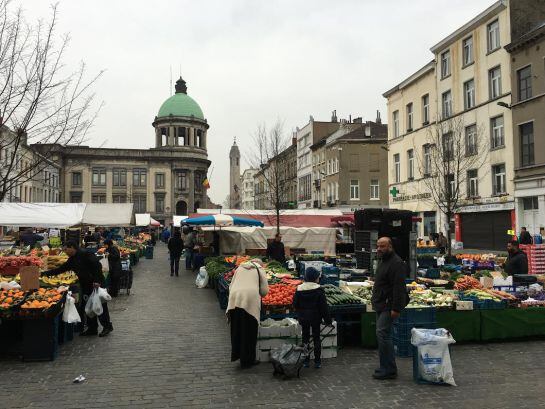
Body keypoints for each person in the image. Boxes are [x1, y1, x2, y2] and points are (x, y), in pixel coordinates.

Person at [43, 241, 113, 337]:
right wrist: (45, 274)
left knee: (100, 305)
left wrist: (97, 281)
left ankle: (107, 326)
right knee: (88, 306)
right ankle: (92, 328)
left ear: (72, 247)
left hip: (96, 284)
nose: (65, 252)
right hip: (86, 285)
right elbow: (61, 269)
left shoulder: (86, 254)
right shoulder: (72, 259)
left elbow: (97, 266)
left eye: (66, 249)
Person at [371, 237, 409, 380]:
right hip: (381, 303)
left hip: (389, 305)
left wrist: (396, 309)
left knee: (382, 334)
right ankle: (385, 367)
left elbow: (399, 288)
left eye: (383, 246)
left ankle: (389, 369)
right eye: (378, 246)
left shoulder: (397, 263)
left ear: (390, 247)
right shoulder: (384, 260)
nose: (379, 249)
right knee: (383, 335)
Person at [226, 259, 269, 369]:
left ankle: (237, 355)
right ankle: (248, 360)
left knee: (237, 329)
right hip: (249, 301)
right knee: (249, 331)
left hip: (235, 300)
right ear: (260, 264)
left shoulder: (239, 268)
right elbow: (264, 291)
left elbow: (230, 286)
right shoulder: (259, 270)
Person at [293, 267, 332, 369]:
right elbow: (324, 308)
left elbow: (295, 304)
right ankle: (317, 361)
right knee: (316, 338)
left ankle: (305, 361)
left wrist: (300, 312)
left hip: (303, 318)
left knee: (305, 338)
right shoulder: (319, 290)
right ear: (315, 278)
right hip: (315, 318)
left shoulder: (299, 289)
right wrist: (328, 320)